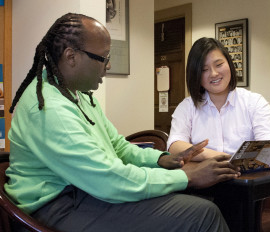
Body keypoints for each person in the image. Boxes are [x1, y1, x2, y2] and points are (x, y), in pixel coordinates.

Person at [5, 14, 240, 232]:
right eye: (103, 58)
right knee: (203, 214)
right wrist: (188, 176)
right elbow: (108, 179)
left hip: (86, 193)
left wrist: (161, 159)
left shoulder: (77, 95)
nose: (107, 66)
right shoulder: (49, 108)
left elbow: (118, 146)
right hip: (57, 209)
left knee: (196, 204)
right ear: (71, 56)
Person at [167, 37, 270, 171]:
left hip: (246, 182)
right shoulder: (187, 107)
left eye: (219, 64)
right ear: (195, 74)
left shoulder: (255, 102)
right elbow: (175, 146)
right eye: (204, 69)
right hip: (201, 185)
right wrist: (226, 158)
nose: (214, 73)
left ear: (229, 64)